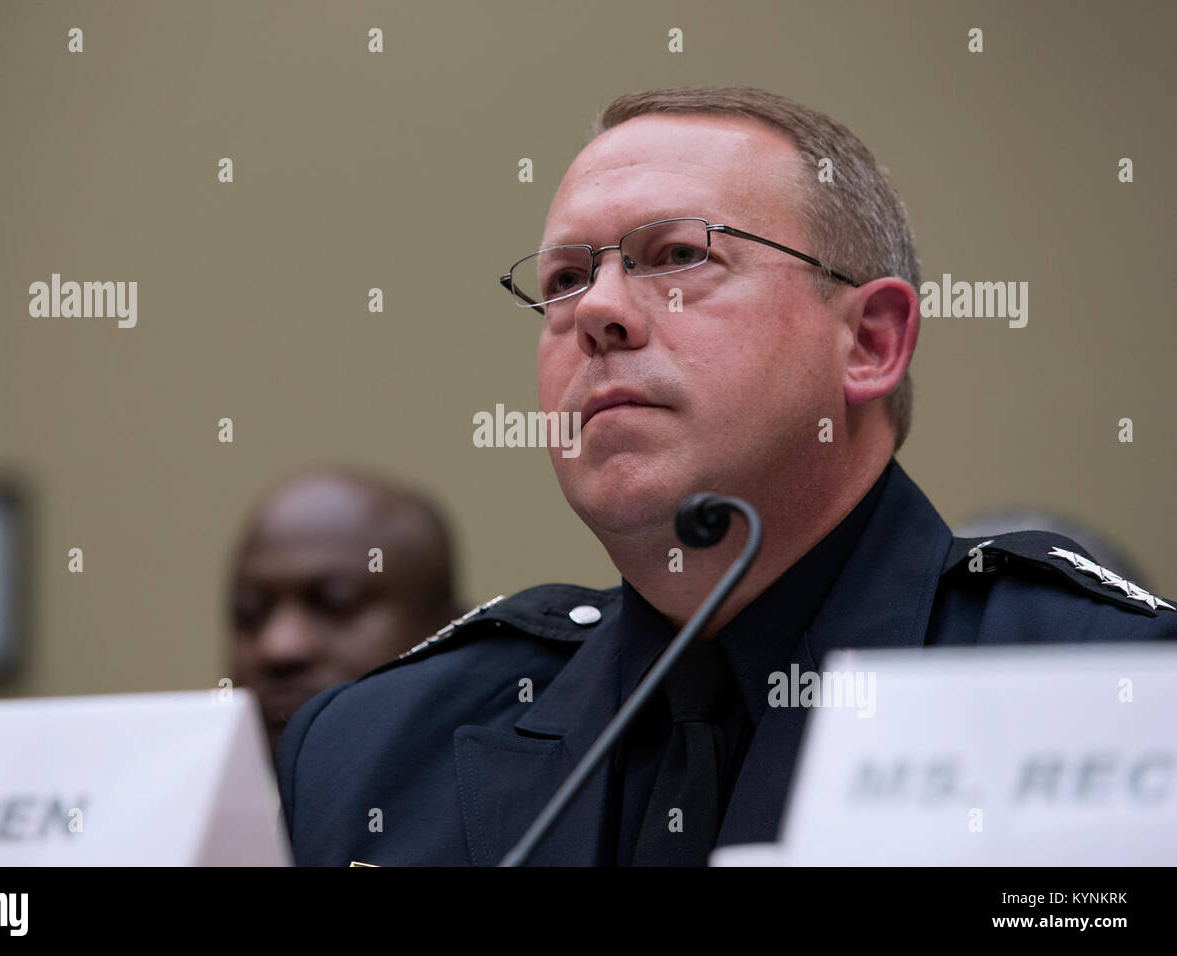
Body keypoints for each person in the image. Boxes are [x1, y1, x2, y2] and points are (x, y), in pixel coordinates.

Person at [276, 85, 1176, 866]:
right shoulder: (369, 752)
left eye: (676, 257)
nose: (598, 312)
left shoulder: (1120, 700)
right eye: (564, 278)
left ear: (869, 342)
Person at [228, 468, 460, 758]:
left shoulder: (521, 800)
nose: (279, 647)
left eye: (336, 603)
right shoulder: (168, 800)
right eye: (250, 612)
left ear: (448, 632)